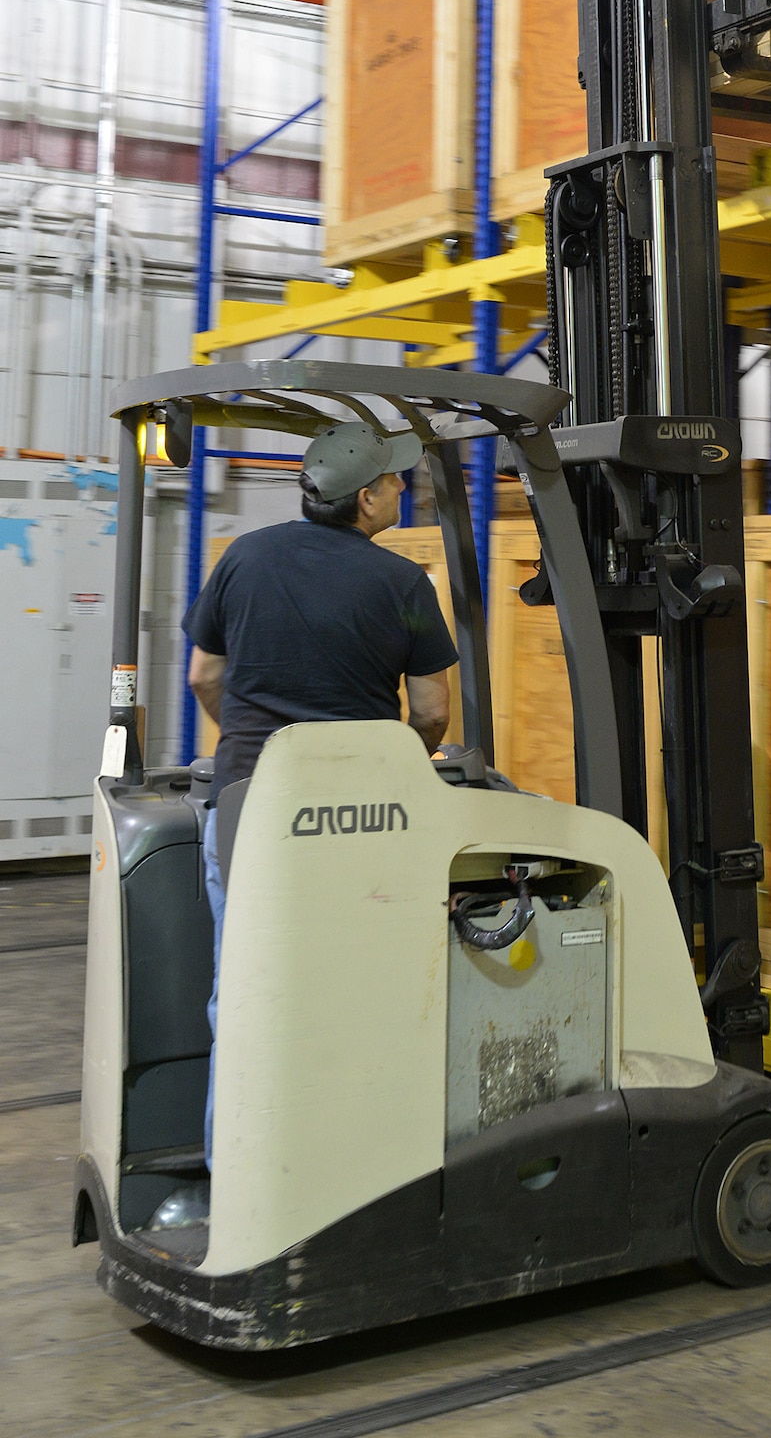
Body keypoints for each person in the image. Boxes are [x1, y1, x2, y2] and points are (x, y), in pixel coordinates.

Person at [159, 421, 456, 1224]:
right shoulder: (403, 583)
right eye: (395, 482)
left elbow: (204, 674)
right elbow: (432, 711)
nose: (403, 489)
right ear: (366, 497)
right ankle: (361, 1179)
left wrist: (256, 751)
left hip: (253, 804)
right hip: (362, 824)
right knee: (370, 993)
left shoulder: (244, 557)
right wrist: (399, 761)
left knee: (246, 996)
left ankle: (241, 1184)